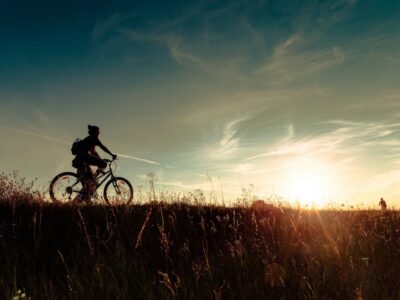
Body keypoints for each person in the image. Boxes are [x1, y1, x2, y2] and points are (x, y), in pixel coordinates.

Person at [72, 125, 117, 201]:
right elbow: (103, 147)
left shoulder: (90, 141)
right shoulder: (93, 138)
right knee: (104, 164)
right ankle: (94, 178)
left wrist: (101, 161)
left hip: (81, 161)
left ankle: (77, 201)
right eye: (98, 132)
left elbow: (94, 154)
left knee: (90, 185)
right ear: (95, 133)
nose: (99, 134)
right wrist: (111, 155)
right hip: (83, 158)